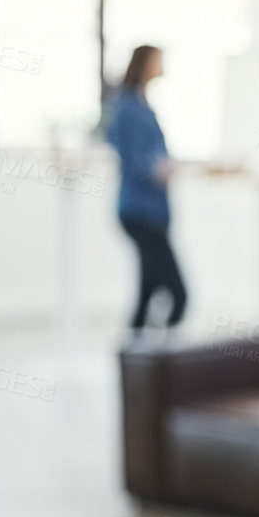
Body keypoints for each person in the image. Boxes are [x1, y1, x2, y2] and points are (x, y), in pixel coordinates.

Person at [105, 44, 187, 335]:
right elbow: (132, 157)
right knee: (179, 293)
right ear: (145, 64)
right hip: (139, 211)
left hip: (156, 211)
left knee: (148, 290)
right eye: (159, 61)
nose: (164, 66)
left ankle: (135, 362)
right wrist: (157, 168)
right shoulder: (125, 106)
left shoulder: (144, 105)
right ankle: (163, 363)